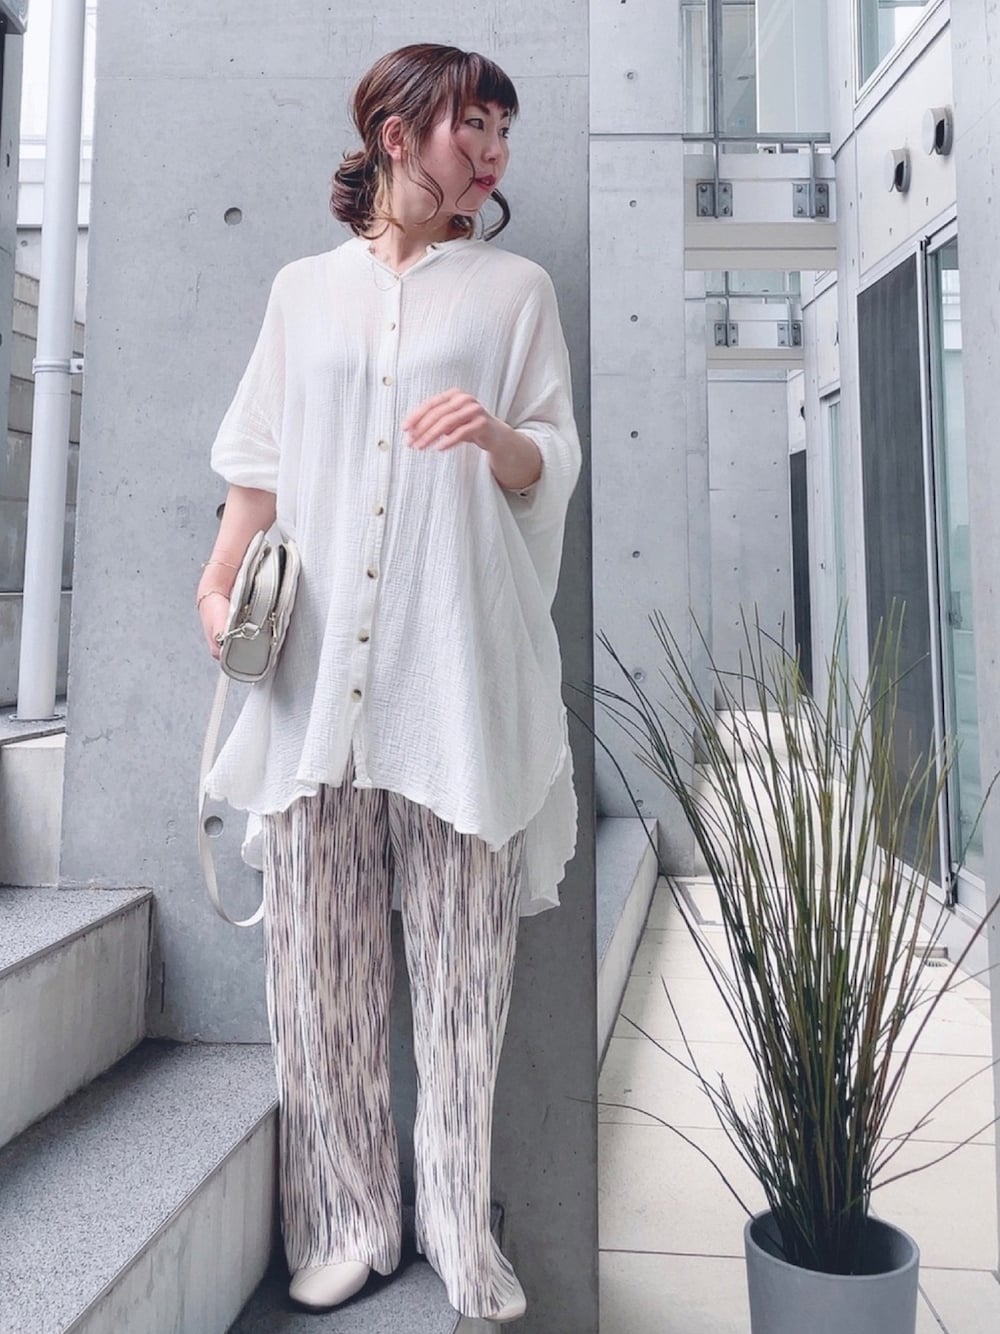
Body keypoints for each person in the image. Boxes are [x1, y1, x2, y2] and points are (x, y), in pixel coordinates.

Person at [195, 43, 581, 1324]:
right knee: (319, 980)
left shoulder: (515, 290)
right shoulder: (302, 292)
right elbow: (258, 467)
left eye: (505, 131)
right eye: (475, 124)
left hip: (456, 684)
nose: (495, 152)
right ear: (396, 131)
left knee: (465, 987)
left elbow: (552, 460)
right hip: (316, 689)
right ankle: (346, 1218)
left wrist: (498, 436)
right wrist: (217, 586)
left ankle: (457, 1230)